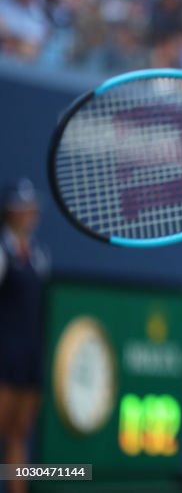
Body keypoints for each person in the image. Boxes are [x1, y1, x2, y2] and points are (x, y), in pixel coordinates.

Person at [0, 179, 50, 493]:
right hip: (3, 354)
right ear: (10, 212)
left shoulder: (40, 257)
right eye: (22, 208)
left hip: (29, 357)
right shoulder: (2, 253)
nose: (28, 214)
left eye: (31, 208)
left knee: (19, 433)